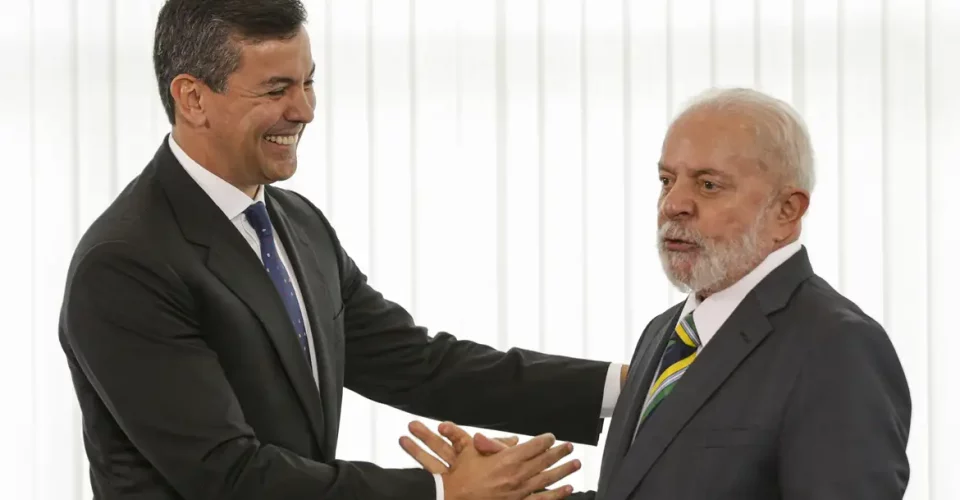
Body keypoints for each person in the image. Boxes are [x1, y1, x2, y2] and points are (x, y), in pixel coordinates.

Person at [58, 1, 629, 499]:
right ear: (192, 98)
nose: (304, 110)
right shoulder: (126, 263)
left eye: (308, 82)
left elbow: (419, 365)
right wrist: (442, 490)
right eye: (277, 89)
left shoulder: (298, 223)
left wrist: (625, 387)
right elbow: (226, 476)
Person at [400, 87, 912, 499]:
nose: (674, 204)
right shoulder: (665, 333)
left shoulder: (837, 348)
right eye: (667, 180)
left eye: (708, 185)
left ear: (787, 211)